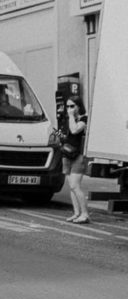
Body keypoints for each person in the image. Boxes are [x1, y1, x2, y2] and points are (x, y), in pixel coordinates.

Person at [62, 96, 90, 224]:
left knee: (75, 185)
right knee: (71, 187)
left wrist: (71, 116)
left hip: (78, 156)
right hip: (67, 154)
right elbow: (65, 135)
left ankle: (85, 214)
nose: (69, 109)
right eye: (67, 106)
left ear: (79, 106)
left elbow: (75, 130)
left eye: (72, 106)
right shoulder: (68, 119)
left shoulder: (84, 118)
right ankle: (76, 212)